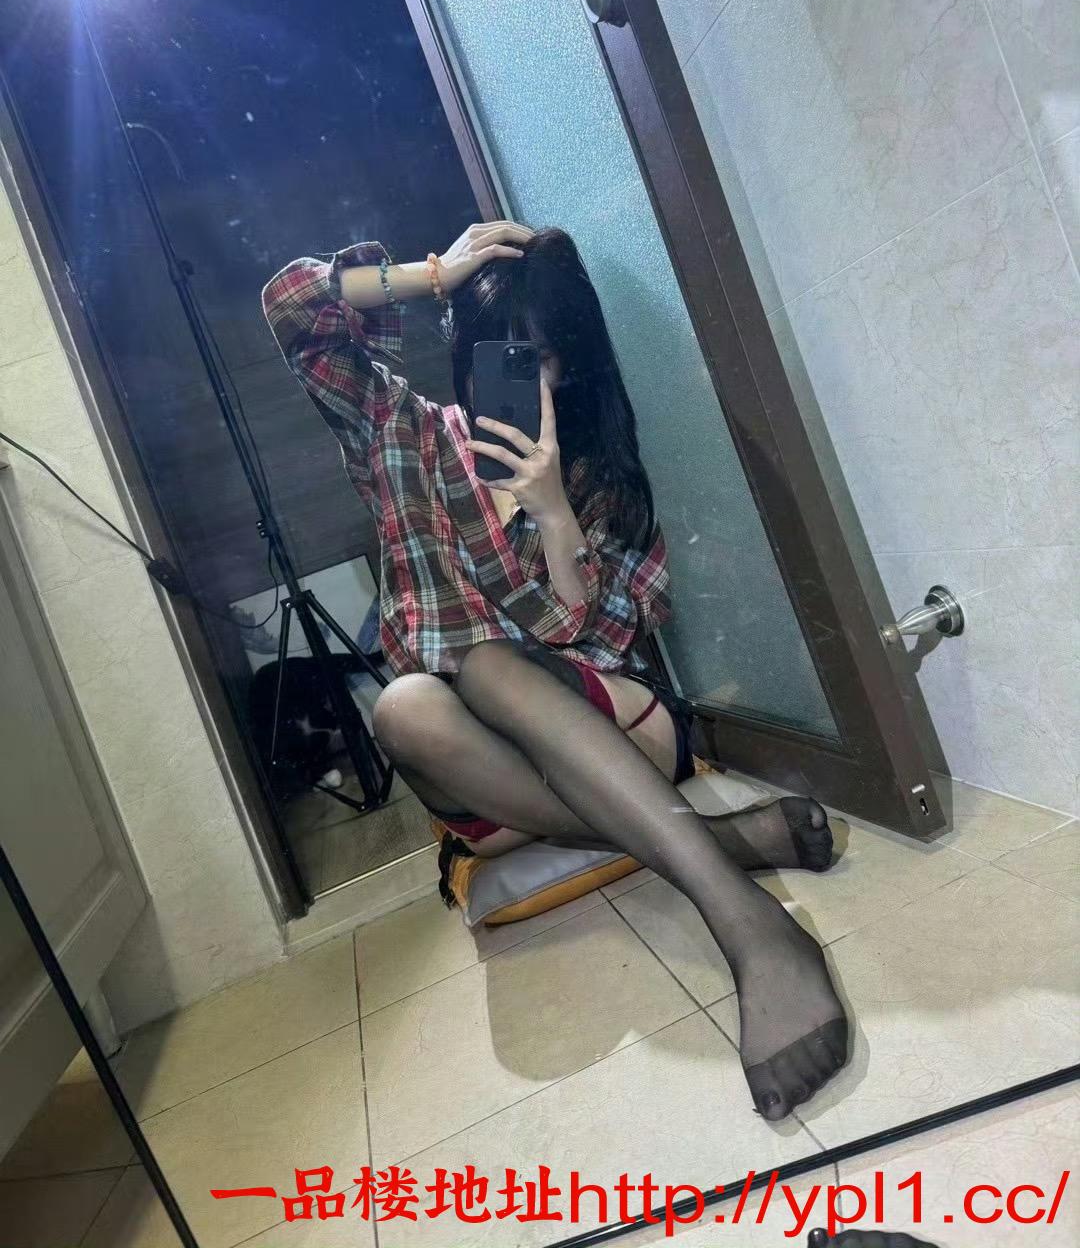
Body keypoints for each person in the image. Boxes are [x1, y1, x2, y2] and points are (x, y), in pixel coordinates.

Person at [263, 220, 848, 1120]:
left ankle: (751, 928)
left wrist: (554, 514)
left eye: (531, 357)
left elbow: (595, 640)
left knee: (491, 669)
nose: (505, 376)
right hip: (490, 784)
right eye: (489, 350)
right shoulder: (402, 434)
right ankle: (722, 844)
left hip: (615, 735)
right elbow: (289, 303)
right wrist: (435, 273)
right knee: (406, 707)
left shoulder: (595, 476)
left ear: (565, 366)